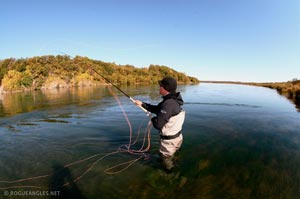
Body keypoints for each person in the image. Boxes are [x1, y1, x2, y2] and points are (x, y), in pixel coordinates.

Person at [135, 77, 185, 171]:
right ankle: (174, 166)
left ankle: (170, 174)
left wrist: (151, 117)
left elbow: (158, 125)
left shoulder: (168, 104)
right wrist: (142, 104)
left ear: (164, 88)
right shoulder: (172, 100)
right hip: (177, 138)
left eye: (160, 86)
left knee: (166, 160)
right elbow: (157, 109)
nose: (159, 88)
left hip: (169, 142)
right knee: (173, 157)